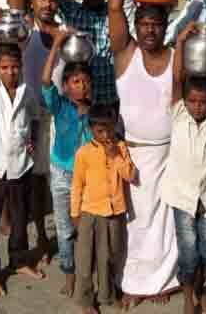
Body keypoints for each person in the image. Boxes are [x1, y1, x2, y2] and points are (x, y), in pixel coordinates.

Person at [108, 0, 180, 306]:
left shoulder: (176, 57)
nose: (150, 29)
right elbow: (114, 7)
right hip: (132, 154)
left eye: (157, 24)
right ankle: (133, 285)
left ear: (166, 27)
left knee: (165, 223)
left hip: (168, 154)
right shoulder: (126, 54)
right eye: (145, 23)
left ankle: (163, 281)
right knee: (134, 223)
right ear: (136, 27)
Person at [0, 10, 45, 298]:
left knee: (19, 217)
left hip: (20, 166)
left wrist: (30, 147)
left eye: (15, 67)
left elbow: (34, 122)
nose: (11, 72)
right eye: (4, 67)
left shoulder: (27, 92)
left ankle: (18, 260)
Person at [163, 22, 206, 314]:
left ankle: (202, 290)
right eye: (192, 101)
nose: (196, 106)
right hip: (182, 199)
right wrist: (180, 43)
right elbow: (178, 78)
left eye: (202, 102)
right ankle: (188, 297)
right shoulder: (179, 115)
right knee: (188, 254)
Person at [8, 0, 68, 265]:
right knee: (32, 178)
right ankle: (41, 238)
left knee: (56, 179)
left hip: (56, 117)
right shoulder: (24, 29)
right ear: (31, 2)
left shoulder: (63, 33)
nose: (47, 3)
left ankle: (59, 234)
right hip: (29, 117)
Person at [41, 26, 94, 298]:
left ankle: (86, 275)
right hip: (61, 175)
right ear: (66, 86)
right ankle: (69, 274)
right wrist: (57, 44)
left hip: (86, 181)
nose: (81, 86)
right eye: (75, 82)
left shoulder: (96, 115)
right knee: (63, 229)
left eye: (85, 81)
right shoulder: (60, 106)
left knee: (84, 230)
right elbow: (46, 80)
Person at [70, 106, 136, 314]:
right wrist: (75, 213)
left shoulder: (121, 147)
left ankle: (106, 295)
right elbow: (77, 185)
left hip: (114, 212)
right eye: (100, 131)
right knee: (85, 257)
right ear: (91, 130)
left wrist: (116, 155)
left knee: (109, 256)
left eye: (109, 129)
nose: (106, 135)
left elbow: (130, 176)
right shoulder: (84, 153)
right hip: (90, 212)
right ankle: (86, 300)